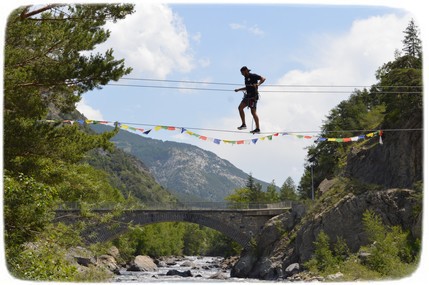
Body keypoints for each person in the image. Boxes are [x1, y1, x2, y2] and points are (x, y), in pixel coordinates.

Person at [234, 66, 266, 133]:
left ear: (246, 71)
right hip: (247, 96)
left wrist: (258, 84)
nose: (242, 74)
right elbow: (247, 88)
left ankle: (257, 129)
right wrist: (239, 89)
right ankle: (243, 124)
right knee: (240, 108)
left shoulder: (253, 75)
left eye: (242, 73)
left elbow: (263, 78)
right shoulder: (245, 78)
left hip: (253, 97)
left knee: (253, 112)